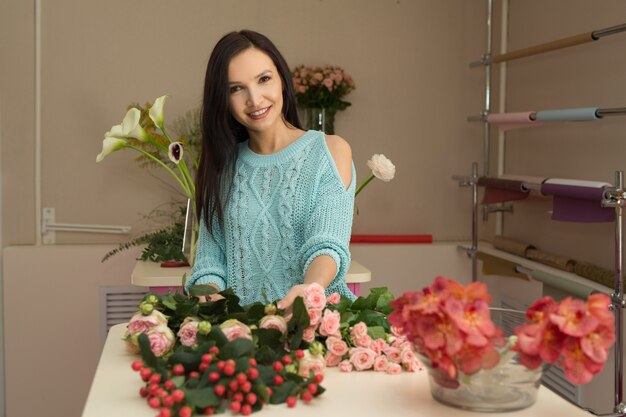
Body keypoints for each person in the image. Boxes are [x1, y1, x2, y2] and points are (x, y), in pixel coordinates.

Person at [186, 29, 356, 309]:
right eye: (235, 88)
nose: (254, 99)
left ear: (282, 81)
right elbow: (210, 259)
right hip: (240, 336)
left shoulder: (330, 150)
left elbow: (327, 244)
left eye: (263, 79)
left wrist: (310, 290)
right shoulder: (222, 168)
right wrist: (209, 292)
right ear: (222, 99)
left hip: (315, 326)